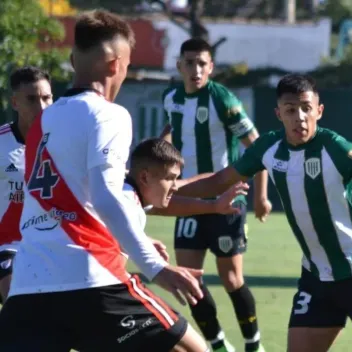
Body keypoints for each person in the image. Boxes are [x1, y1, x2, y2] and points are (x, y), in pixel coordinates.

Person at [173, 74, 352, 352]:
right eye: (290, 109)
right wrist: (172, 189)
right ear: (279, 114)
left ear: (319, 111)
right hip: (315, 278)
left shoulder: (335, 148)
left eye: (306, 108)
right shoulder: (268, 148)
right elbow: (220, 179)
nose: (299, 116)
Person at [0, 10, 209, 352]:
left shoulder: (43, 121)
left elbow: (63, 204)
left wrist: (131, 239)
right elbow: (104, 196)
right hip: (92, 279)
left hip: (29, 286)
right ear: (115, 64)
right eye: (127, 65)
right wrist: (156, 268)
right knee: (191, 348)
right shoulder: (108, 114)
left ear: (72, 60)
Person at [160, 38, 270, 352]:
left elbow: (257, 147)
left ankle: (254, 345)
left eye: (202, 63)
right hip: (186, 199)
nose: (196, 69)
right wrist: (158, 150)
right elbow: (172, 126)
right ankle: (218, 345)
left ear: (211, 67)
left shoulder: (223, 100)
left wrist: (261, 197)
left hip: (225, 200)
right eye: (190, 62)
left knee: (232, 279)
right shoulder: (171, 97)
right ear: (180, 65)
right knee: (190, 281)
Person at [123, 137, 250, 269]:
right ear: (144, 177)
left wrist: (215, 205)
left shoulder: (132, 195)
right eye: (170, 178)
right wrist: (166, 272)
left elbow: (172, 200)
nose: (175, 187)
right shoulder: (125, 201)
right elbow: (117, 238)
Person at [0, 66, 53, 303]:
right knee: (17, 303)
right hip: (7, 245)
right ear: (14, 102)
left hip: (51, 246)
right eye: (31, 99)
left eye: (46, 98)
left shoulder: (64, 144)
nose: (41, 107)